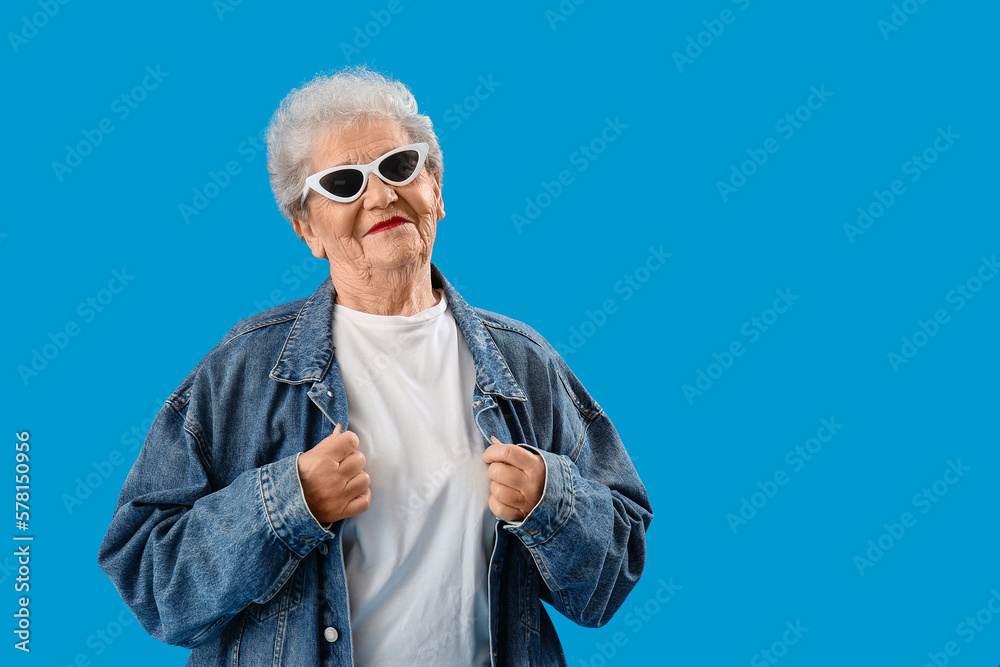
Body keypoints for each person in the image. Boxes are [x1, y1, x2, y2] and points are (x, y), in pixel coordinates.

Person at [98, 65, 652, 667]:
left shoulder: (526, 364)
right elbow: (151, 581)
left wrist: (552, 500)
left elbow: (611, 580)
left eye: (398, 167)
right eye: (342, 182)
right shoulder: (242, 371)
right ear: (308, 228)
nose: (381, 195)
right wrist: (286, 504)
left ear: (435, 190)